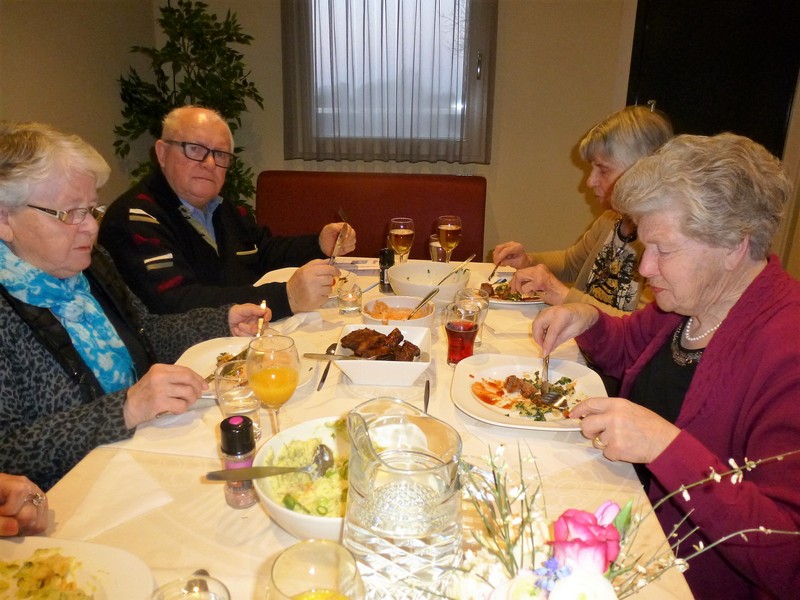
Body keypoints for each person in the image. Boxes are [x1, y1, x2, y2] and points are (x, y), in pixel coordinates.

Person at [533, 133, 800, 599]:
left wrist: (664, 446)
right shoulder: (690, 302)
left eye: (664, 249)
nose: (645, 268)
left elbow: (786, 554)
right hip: (621, 517)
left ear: (734, 245)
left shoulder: (786, 350)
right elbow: (628, 346)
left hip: (684, 580)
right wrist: (588, 318)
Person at [0, 121, 267, 490]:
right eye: (70, 213)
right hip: (75, 495)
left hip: (143, 453)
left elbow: (146, 332)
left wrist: (222, 320)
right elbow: (8, 453)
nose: (91, 228)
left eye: (91, 210)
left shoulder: (92, 267)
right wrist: (125, 408)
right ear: (5, 218)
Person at [99, 106, 356, 319]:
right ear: (162, 153)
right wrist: (286, 297)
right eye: (195, 149)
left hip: (238, 338)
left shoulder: (221, 208)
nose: (209, 163)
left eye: (220, 154)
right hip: (184, 356)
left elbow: (262, 251)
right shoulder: (136, 218)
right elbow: (176, 302)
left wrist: (318, 243)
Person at [493, 105, 673, 317]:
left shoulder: (664, 245)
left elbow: (639, 328)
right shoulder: (610, 220)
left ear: (641, 172)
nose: (590, 181)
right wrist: (527, 261)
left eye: (603, 170)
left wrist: (561, 294)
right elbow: (570, 263)